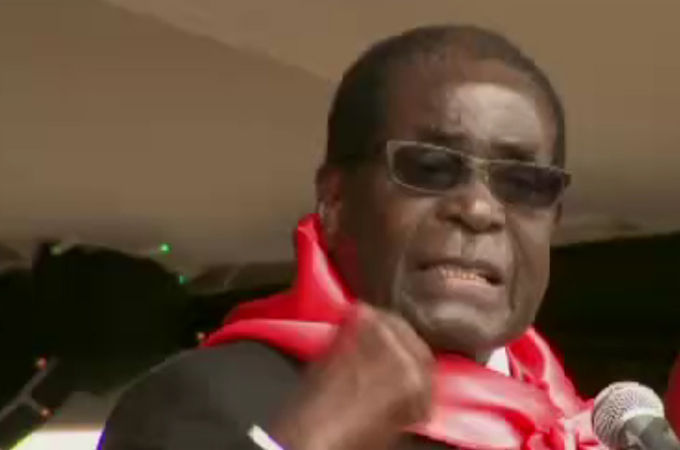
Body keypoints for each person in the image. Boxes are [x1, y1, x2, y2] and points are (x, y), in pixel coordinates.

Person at [99, 24, 602, 450]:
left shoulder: (582, 427)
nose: (479, 210)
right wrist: (314, 438)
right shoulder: (202, 400)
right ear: (336, 203)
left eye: (523, 183)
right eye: (430, 168)